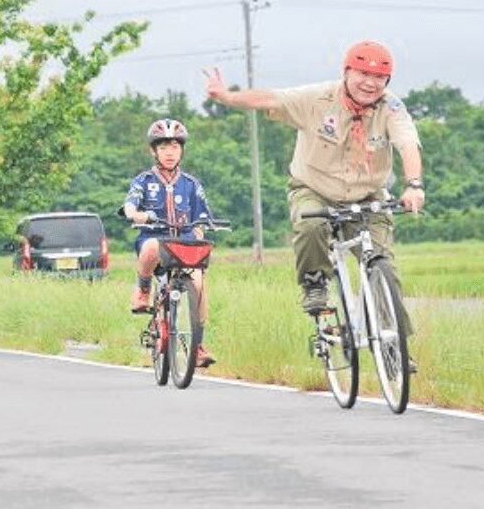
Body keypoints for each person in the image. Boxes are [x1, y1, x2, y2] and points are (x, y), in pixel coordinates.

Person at [205, 40, 425, 352]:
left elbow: (407, 144)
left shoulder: (391, 107)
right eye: (362, 73)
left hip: (366, 194)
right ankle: (314, 282)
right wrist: (227, 97)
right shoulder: (317, 99)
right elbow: (270, 99)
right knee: (310, 225)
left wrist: (414, 185)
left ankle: (394, 347)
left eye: (379, 78)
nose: (370, 83)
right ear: (346, 72)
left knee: (383, 265)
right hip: (314, 189)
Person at [122, 118, 219, 368]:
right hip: (153, 239)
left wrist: (199, 231)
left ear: (182, 150)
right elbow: (130, 204)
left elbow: (200, 218)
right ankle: (143, 289)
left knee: (198, 282)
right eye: (163, 147)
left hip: (183, 243)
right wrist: (136, 213)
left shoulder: (191, 184)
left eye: (175, 147)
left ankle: (197, 345)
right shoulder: (143, 181)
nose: (169, 153)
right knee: (152, 244)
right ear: (153, 151)